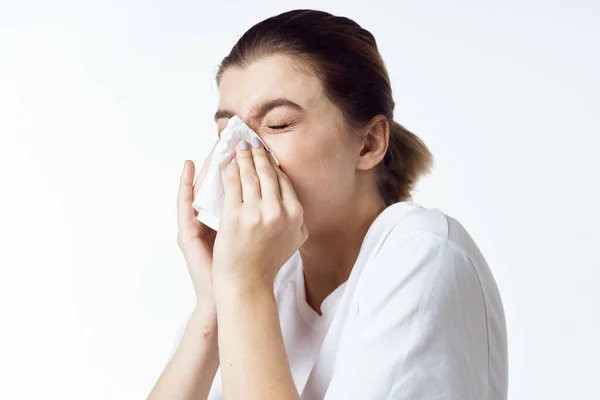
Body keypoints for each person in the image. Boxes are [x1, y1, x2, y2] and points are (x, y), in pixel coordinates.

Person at [147, 9, 508, 400]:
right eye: (226, 131)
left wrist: (244, 286)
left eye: (279, 123)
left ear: (369, 143)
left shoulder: (422, 252)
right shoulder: (267, 276)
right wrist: (214, 302)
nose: (238, 154)